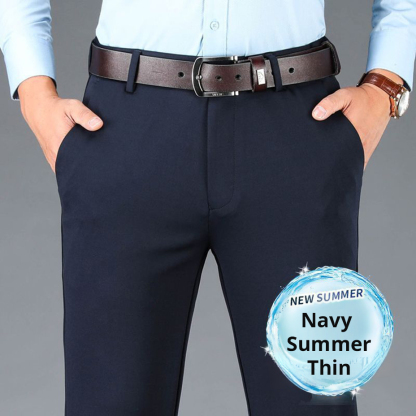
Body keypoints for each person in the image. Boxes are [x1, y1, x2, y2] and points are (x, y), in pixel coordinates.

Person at [0, 1, 414, 415]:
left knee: (315, 406)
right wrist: (35, 94)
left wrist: (385, 86)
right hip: (125, 134)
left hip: (296, 135)